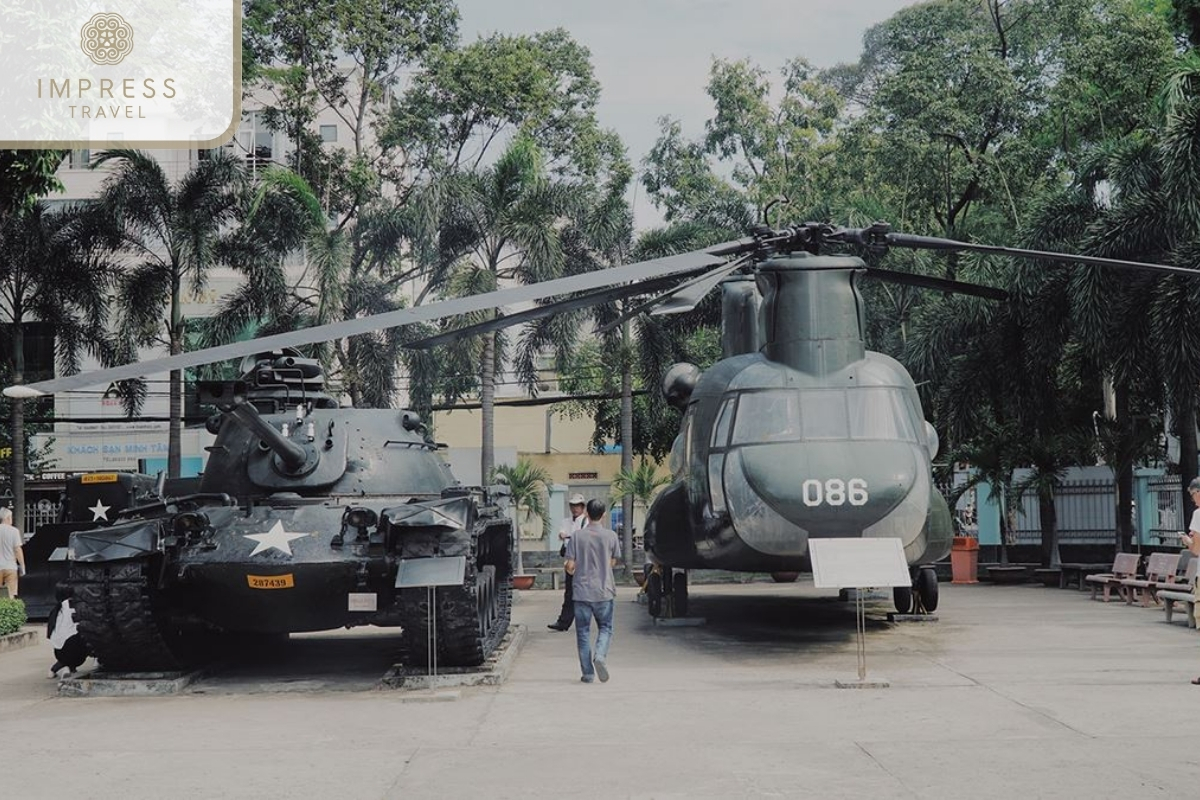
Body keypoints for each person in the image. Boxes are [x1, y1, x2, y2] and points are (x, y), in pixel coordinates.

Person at [564, 498, 621, 683]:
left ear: (586, 514)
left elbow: (570, 566)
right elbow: (613, 562)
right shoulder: (611, 536)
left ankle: (587, 674)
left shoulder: (577, 536)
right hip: (604, 591)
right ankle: (600, 656)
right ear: (603, 515)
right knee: (605, 628)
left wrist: (571, 568)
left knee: (583, 632)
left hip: (581, 592)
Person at [547, 493, 588, 631]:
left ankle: (585, 621)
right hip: (570, 560)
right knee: (569, 593)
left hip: (583, 562)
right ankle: (564, 622)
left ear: (583, 507)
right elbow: (562, 534)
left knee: (585, 594)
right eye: (573, 506)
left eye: (578, 506)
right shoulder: (566, 521)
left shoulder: (586, 522)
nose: (575, 508)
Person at [1181, 479, 1200, 685]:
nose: (1193, 500)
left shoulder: (1198, 514)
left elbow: (1197, 549)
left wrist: (1188, 542)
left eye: (1193, 495)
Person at [47, 587, 88, 679]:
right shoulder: (75, 606)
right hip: (72, 647)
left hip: (57, 648)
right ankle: (57, 668)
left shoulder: (57, 608)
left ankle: (65, 668)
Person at [0, 507, 25, 599]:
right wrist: (22, 566)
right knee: (11, 594)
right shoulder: (14, 531)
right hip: (10, 566)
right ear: (7, 518)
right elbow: (18, 550)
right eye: (11, 517)